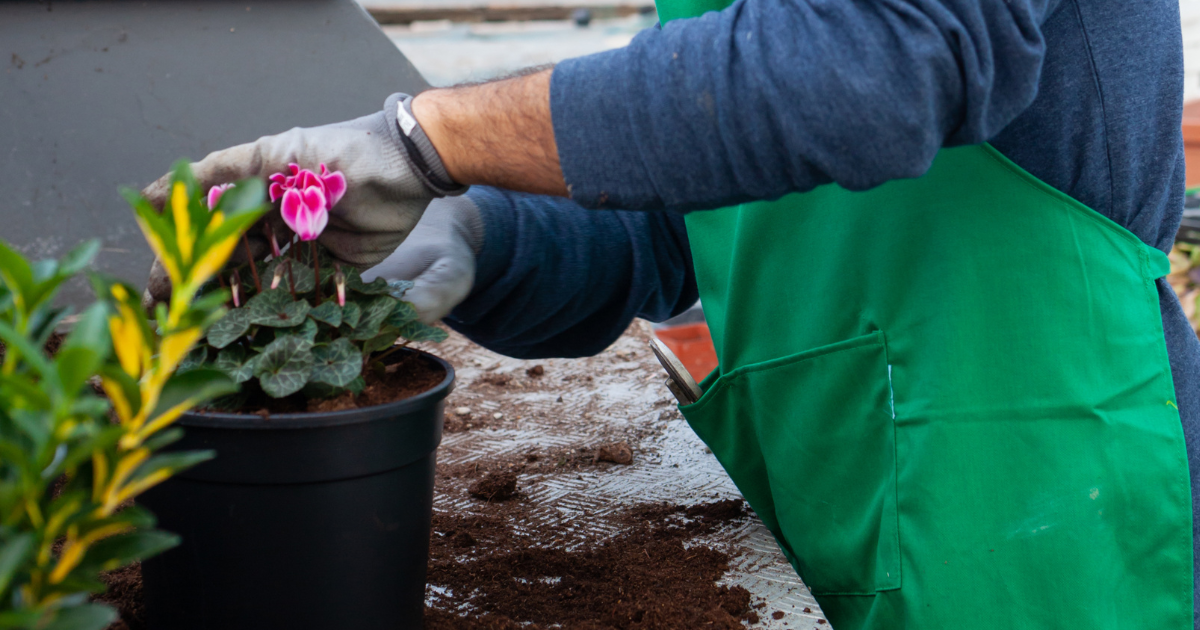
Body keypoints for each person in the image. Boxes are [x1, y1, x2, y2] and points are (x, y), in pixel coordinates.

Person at [144, 0, 1200, 626]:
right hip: (837, 494)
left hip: (1044, 503)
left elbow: (880, 67)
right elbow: (679, 214)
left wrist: (425, 139)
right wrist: (476, 235)